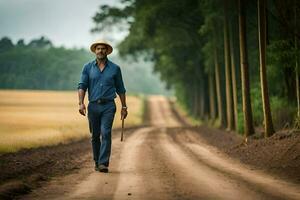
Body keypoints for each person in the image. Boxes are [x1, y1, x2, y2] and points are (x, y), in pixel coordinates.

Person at [77, 40, 128, 173]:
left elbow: (121, 89)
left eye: (103, 49)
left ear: (107, 51)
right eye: (98, 48)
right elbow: (82, 86)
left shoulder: (115, 69)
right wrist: (81, 103)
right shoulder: (87, 68)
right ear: (95, 51)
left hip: (109, 106)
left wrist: (124, 107)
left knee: (106, 132)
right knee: (95, 135)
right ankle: (97, 161)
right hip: (93, 106)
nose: (100, 51)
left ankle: (103, 163)